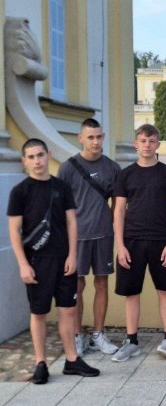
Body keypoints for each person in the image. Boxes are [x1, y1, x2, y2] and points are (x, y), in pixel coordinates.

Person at [7, 139, 99, 384]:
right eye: (31, 157)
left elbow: (71, 222)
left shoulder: (61, 187)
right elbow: (14, 231)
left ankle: (72, 359)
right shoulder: (20, 191)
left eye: (40, 155)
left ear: (48, 155)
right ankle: (41, 363)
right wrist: (23, 264)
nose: (37, 161)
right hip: (36, 261)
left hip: (63, 259)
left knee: (68, 310)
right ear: (24, 161)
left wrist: (72, 255)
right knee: (39, 312)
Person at [112, 124, 166, 361]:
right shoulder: (125, 174)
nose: (147, 145)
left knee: (164, 290)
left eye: (152, 141)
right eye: (143, 141)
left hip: (161, 240)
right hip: (131, 241)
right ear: (136, 144)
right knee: (131, 292)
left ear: (158, 144)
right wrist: (120, 245)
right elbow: (119, 210)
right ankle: (131, 341)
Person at [58, 118, 121, 356]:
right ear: (81, 138)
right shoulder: (68, 168)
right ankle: (77, 336)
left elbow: (118, 205)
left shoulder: (112, 168)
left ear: (103, 137)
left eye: (99, 137)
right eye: (91, 137)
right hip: (76, 237)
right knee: (77, 285)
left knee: (102, 283)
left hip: (103, 234)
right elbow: (59, 205)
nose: (95, 142)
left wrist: (112, 226)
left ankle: (98, 335)